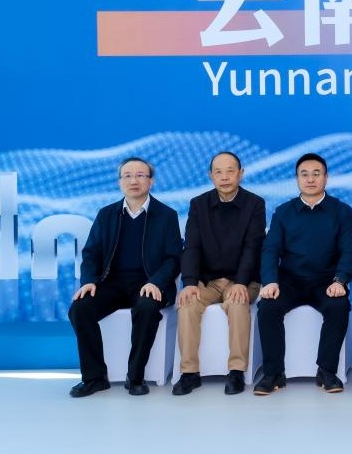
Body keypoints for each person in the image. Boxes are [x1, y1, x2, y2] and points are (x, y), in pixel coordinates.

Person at [68, 157, 182, 397]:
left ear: (151, 181)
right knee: (80, 309)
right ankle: (94, 378)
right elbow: (91, 253)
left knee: (147, 308)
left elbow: (174, 257)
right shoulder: (106, 214)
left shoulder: (166, 215)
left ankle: (136, 376)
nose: (134, 181)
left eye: (140, 175)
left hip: (148, 283)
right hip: (112, 283)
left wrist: (156, 282)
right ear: (120, 182)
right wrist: (88, 281)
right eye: (127, 176)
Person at [253, 153, 352, 395]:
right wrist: (270, 281)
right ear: (297, 179)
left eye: (316, 174)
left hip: (327, 281)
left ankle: (327, 371)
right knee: (267, 307)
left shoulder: (341, 211)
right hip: (290, 281)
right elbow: (270, 250)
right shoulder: (283, 212)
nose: (310, 179)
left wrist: (340, 280)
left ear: (326, 178)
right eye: (304, 174)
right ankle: (273, 374)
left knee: (338, 306)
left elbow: (350, 249)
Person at [172, 151, 266, 396]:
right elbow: (191, 246)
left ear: (240, 174)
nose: (224, 177)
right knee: (187, 303)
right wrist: (190, 282)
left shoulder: (255, 204)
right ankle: (189, 373)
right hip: (208, 281)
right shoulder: (198, 204)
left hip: (242, 280)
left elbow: (253, 247)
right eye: (218, 172)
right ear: (210, 175)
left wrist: (241, 282)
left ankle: (236, 371)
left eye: (230, 171)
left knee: (237, 303)